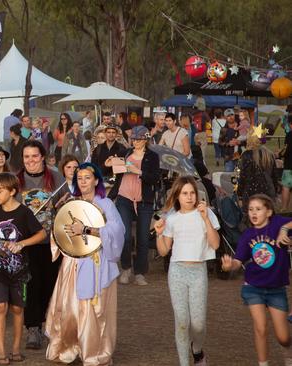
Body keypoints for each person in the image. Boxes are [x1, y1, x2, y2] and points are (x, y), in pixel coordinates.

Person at [45, 163, 125, 364]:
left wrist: (87, 230)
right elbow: (61, 231)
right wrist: (60, 228)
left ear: (96, 180)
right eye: (79, 178)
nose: (83, 182)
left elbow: (117, 232)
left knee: (93, 309)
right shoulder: (73, 202)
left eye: (87, 177)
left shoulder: (106, 204)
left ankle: (95, 351)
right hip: (73, 262)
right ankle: (70, 345)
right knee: (70, 306)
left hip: (97, 262)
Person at [0, 173, 47, 365]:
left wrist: (22, 244)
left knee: (17, 309)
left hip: (20, 271)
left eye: (0, 190)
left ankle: (16, 349)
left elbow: (42, 234)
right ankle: (1, 351)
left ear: (12, 192)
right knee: (0, 307)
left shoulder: (24, 213)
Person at [154, 176, 220, 366]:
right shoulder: (171, 218)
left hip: (198, 272)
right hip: (177, 272)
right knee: (182, 322)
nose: (189, 197)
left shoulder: (205, 213)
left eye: (192, 193)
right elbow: (164, 250)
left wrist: (206, 218)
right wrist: (159, 234)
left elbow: (215, 244)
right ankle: (184, 362)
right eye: (185, 193)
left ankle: (197, 350)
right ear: (177, 196)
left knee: (198, 324)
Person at [221, 194, 292, 366]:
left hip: (277, 288)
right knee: (260, 328)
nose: (254, 213)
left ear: (269, 212)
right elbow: (239, 261)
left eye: (258, 209)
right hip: (253, 287)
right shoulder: (247, 235)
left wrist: (284, 230)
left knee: (283, 337)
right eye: (251, 209)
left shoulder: (277, 223)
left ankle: (287, 352)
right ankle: (263, 363)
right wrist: (229, 266)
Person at [16, 139, 65, 349]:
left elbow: (67, 202)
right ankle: (33, 328)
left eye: (35, 156)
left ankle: (47, 322)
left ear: (42, 157)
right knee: (30, 285)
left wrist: (62, 202)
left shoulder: (55, 177)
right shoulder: (16, 179)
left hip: (51, 242)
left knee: (49, 285)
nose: (31, 160)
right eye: (27, 157)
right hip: (26, 243)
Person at [107, 126, 160, 286]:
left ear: (145, 139)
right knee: (125, 236)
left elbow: (155, 178)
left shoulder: (152, 156)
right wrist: (111, 164)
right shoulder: (126, 153)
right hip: (124, 198)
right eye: (134, 139)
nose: (135, 141)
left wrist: (139, 171)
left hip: (144, 201)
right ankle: (126, 268)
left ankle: (140, 272)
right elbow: (115, 173)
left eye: (138, 139)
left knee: (143, 238)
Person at [237, 134, 277, 209]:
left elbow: (243, 177)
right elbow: (274, 176)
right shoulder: (269, 154)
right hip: (267, 191)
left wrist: (240, 195)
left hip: (250, 192)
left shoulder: (247, 155)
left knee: (251, 217)